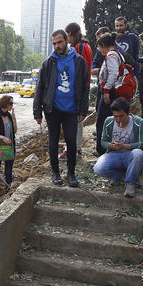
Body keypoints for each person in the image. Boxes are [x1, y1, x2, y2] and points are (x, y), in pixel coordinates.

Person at [33, 29, 90, 187]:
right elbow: (40, 88)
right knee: (53, 141)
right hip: (53, 109)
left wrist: (83, 110)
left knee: (71, 141)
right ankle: (55, 173)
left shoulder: (78, 61)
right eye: (54, 43)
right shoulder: (48, 62)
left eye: (59, 42)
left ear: (66, 41)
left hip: (72, 109)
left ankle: (71, 173)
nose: (57, 46)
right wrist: (37, 111)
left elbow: (85, 87)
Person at [93, 97, 143, 198]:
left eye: (121, 116)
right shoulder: (109, 121)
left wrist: (124, 146)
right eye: (115, 116)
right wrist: (110, 145)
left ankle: (130, 183)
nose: (118, 119)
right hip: (114, 154)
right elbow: (103, 141)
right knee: (98, 168)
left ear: (128, 112)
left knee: (138, 153)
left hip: (130, 154)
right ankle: (120, 176)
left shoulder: (138, 122)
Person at [63, 22, 94, 160]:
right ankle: (76, 148)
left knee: (72, 121)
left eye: (67, 36)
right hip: (82, 87)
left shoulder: (78, 48)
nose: (66, 39)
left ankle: (72, 150)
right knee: (77, 120)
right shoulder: (86, 46)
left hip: (76, 89)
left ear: (71, 34)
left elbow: (77, 68)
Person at [95, 33, 125, 156]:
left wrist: (106, 91)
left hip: (110, 91)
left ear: (104, 46)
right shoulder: (118, 54)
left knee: (102, 121)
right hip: (114, 91)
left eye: (99, 47)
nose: (99, 50)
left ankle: (101, 149)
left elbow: (113, 74)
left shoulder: (111, 55)